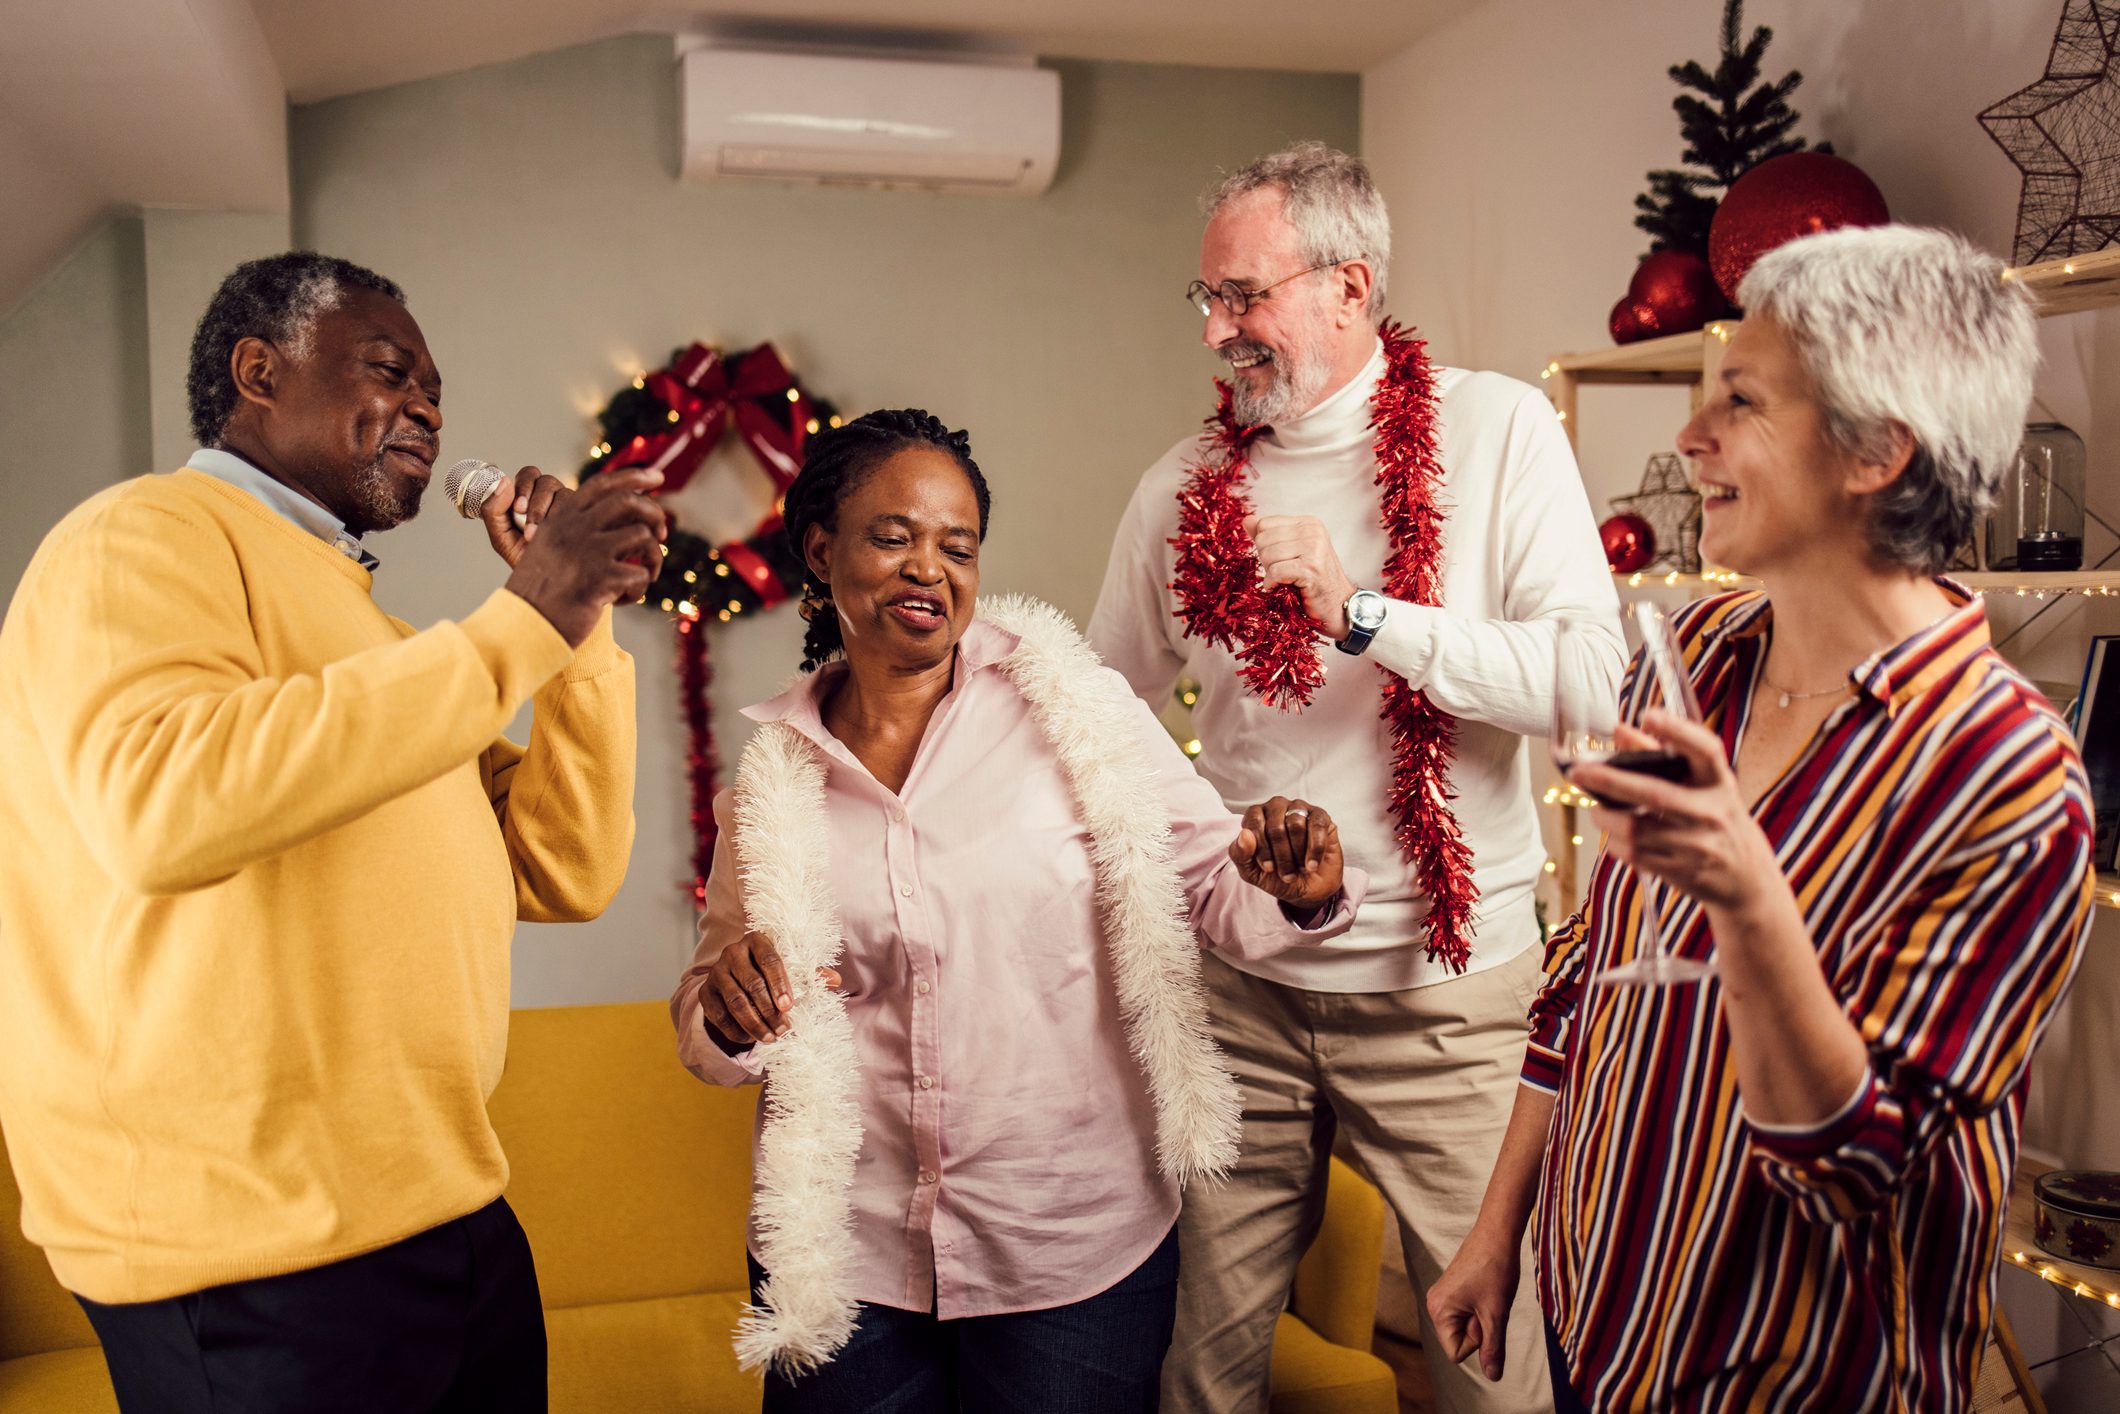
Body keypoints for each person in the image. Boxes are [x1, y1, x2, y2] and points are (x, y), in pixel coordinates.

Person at [1427, 225, 2096, 1414]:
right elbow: (1589, 976)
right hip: (1599, 1325)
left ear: (1877, 449)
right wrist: (1498, 1229)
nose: (1688, 439)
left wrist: (1743, 896)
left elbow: (1855, 1159)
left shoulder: (2007, 773)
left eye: (1738, 400)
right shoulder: (1693, 657)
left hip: (1789, 1378)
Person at [0, 252, 667, 1412]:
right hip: (247, 1258)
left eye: (436, 389)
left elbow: (562, 867)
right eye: (389, 369)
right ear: (259, 370)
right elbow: (163, 807)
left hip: (446, 1213)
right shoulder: (139, 534)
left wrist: (577, 628)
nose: (428, 407)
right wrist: (513, 626)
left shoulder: (373, 636)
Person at [672, 408, 1369, 1413]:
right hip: (846, 1259)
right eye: (892, 535)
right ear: (821, 549)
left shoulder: (1072, 711)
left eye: (957, 546)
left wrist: (1296, 886)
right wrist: (727, 1014)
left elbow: (1219, 887)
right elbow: (708, 1010)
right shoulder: (774, 781)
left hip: (1070, 1256)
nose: (929, 568)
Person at [1089, 142, 1622, 1413]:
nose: (1217, 329)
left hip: (1449, 996)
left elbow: (1590, 680)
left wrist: (1364, 615)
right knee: (1199, 1374)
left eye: (1242, 295)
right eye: (1204, 299)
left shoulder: (1499, 431)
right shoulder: (1178, 487)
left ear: (1349, 285)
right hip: (1238, 999)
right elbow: (1097, 708)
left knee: (1498, 1378)